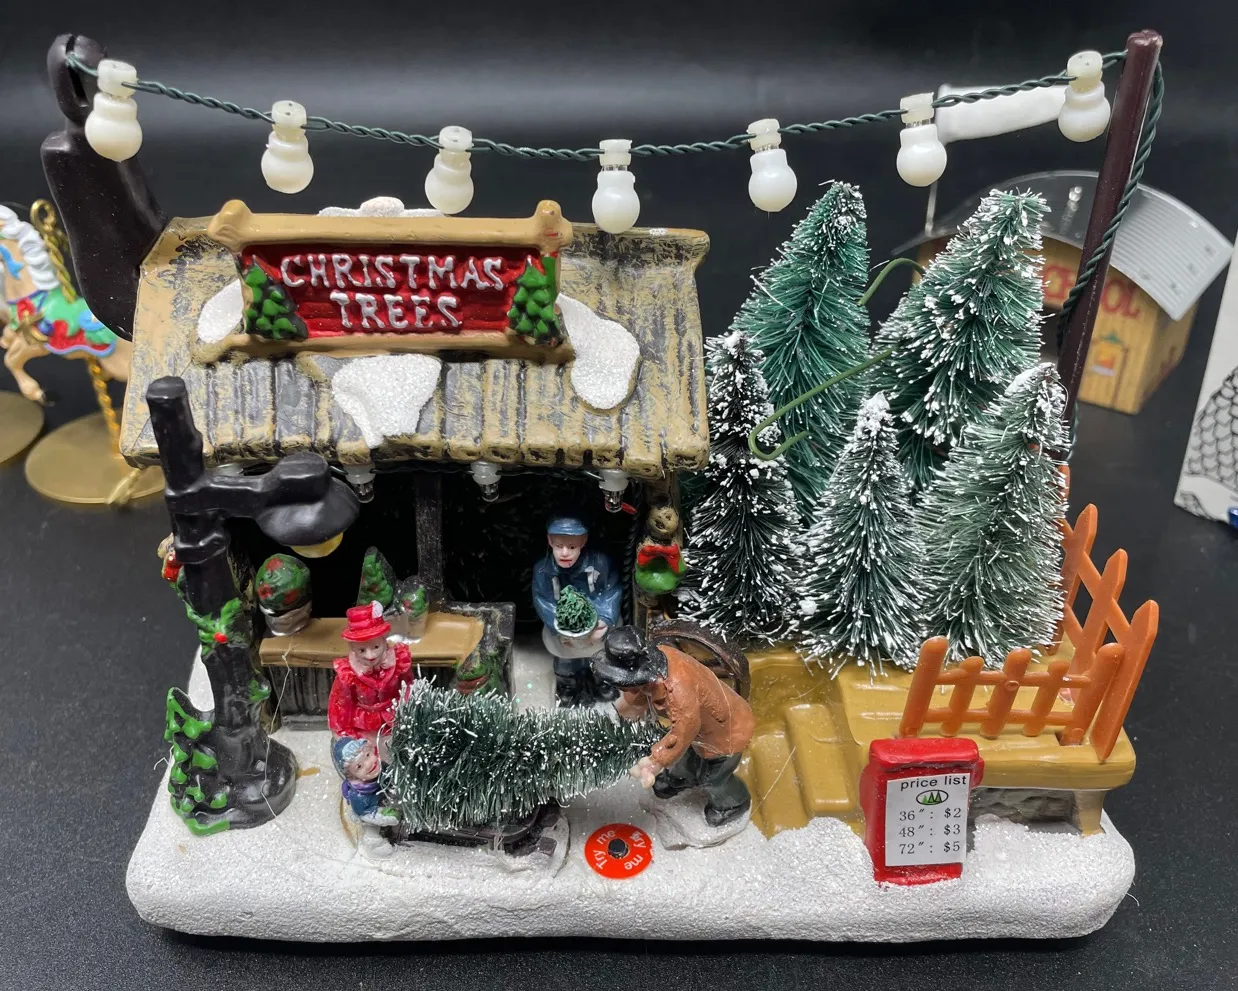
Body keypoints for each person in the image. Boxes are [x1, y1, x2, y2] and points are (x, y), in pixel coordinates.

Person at [593, 625, 754, 827]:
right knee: (687, 759)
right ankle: (682, 778)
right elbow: (636, 698)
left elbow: (683, 732)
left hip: (727, 732)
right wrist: (619, 715)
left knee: (713, 779)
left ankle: (733, 803)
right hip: (700, 734)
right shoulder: (655, 665)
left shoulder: (677, 690)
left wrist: (656, 760)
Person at [531, 516, 622, 704]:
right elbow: (543, 599)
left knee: (601, 655)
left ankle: (602, 680)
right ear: (550, 542)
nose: (565, 553)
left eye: (572, 547)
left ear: (583, 541)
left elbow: (611, 590)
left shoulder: (601, 563)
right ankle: (568, 685)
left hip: (596, 625)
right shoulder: (543, 570)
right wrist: (558, 625)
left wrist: (605, 618)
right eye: (559, 546)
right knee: (566, 660)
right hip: (564, 633)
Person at [327, 601, 413, 741]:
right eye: (362, 650)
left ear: (384, 641)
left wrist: (407, 714)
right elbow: (341, 703)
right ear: (353, 648)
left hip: (395, 721)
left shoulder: (399, 661)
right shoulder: (348, 672)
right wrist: (343, 734)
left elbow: (408, 686)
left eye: (376, 647)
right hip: (364, 726)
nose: (370, 656)